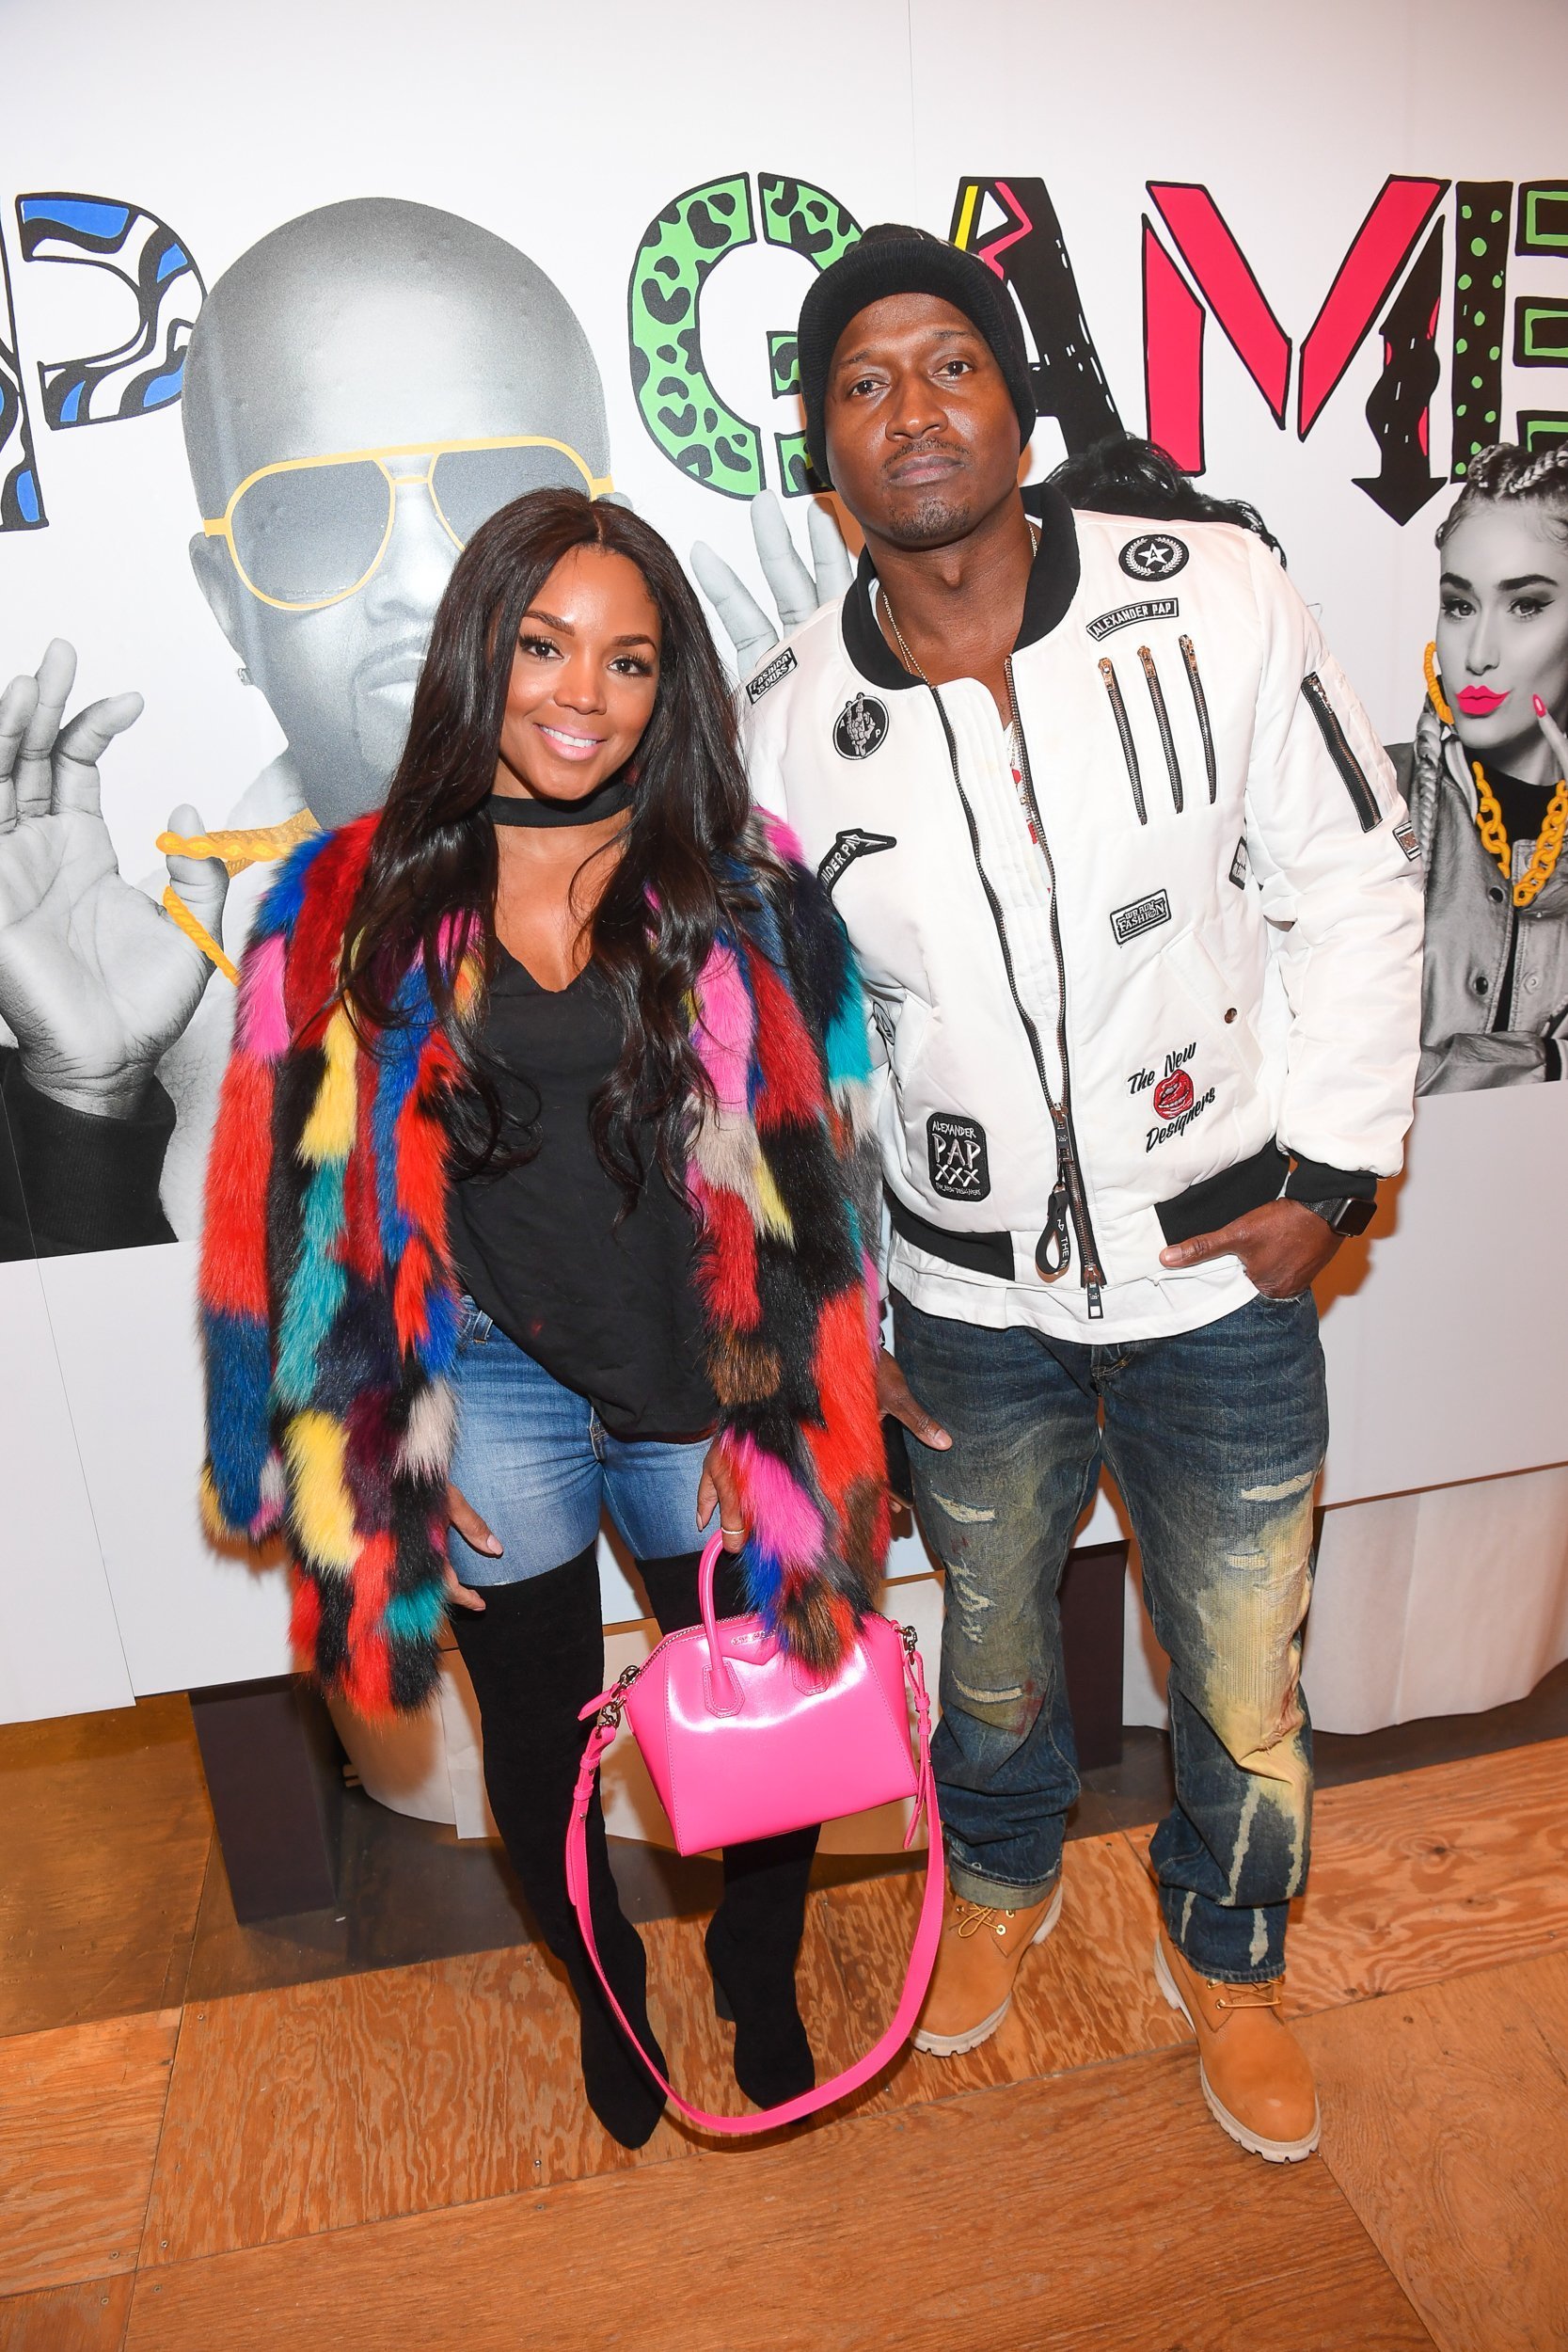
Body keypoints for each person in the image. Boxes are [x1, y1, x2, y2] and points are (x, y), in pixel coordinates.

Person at [738, 225, 1423, 2164]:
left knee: (1238, 1663)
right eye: (859, 384)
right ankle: (1005, 1880)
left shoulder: (1206, 592)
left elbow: (1353, 885)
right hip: (968, 1308)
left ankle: (1230, 1950)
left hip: (1217, 1277)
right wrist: (844, 1320)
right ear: (819, 452)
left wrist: (1328, 1165)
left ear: (1014, 406)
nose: (909, 410)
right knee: (988, 1649)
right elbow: (789, 1059)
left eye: (943, 364)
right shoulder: (779, 722)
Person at [198, 487, 889, 2147]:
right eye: (543, 645)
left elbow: (827, 1165)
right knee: (540, 1737)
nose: (583, 692)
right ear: (478, 657)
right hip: (490, 1378)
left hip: (702, 1383)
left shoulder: (748, 891)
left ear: (672, 688)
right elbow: (283, 1218)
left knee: (763, 1687)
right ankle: (605, 1992)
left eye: (630, 659)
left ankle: (759, 1965)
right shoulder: (344, 904)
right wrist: (363, 1440)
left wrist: (828, 1385)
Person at [0, 198, 616, 1255]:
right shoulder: (150, 991)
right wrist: (81, 1104)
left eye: (498, 494)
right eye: (319, 514)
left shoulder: (748, 886)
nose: (422, 582)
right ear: (225, 600)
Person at [1394, 440, 1568, 1092]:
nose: (1478, 653)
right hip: (1392, 1194)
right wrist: (1541, 1063)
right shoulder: (1365, 798)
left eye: (1526, 604)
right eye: (1459, 604)